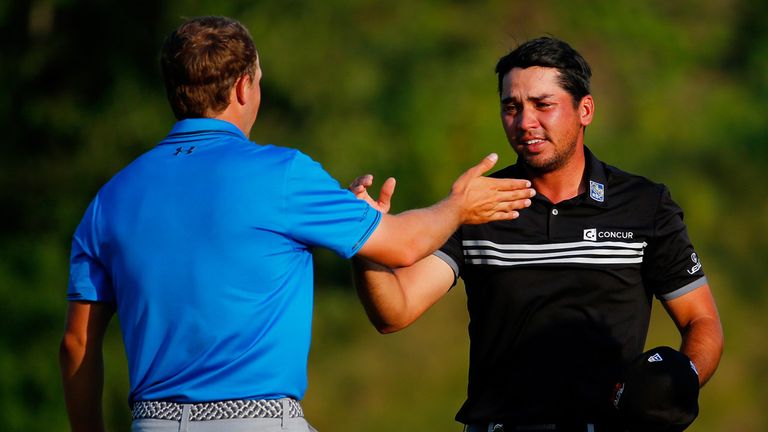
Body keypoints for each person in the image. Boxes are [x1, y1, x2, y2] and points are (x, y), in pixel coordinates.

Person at [58, 16, 536, 432]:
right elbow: (404, 247)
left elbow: (77, 343)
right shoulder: (281, 174)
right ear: (244, 86)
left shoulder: (110, 198)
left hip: (152, 422)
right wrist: (458, 205)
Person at [352, 36, 724, 432]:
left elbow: (702, 322)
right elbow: (395, 311)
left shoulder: (644, 204)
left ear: (585, 109)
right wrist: (363, 240)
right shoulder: (475, 204)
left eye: (543, 105)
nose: (525, 122)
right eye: (511, 107)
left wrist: (676, 382)